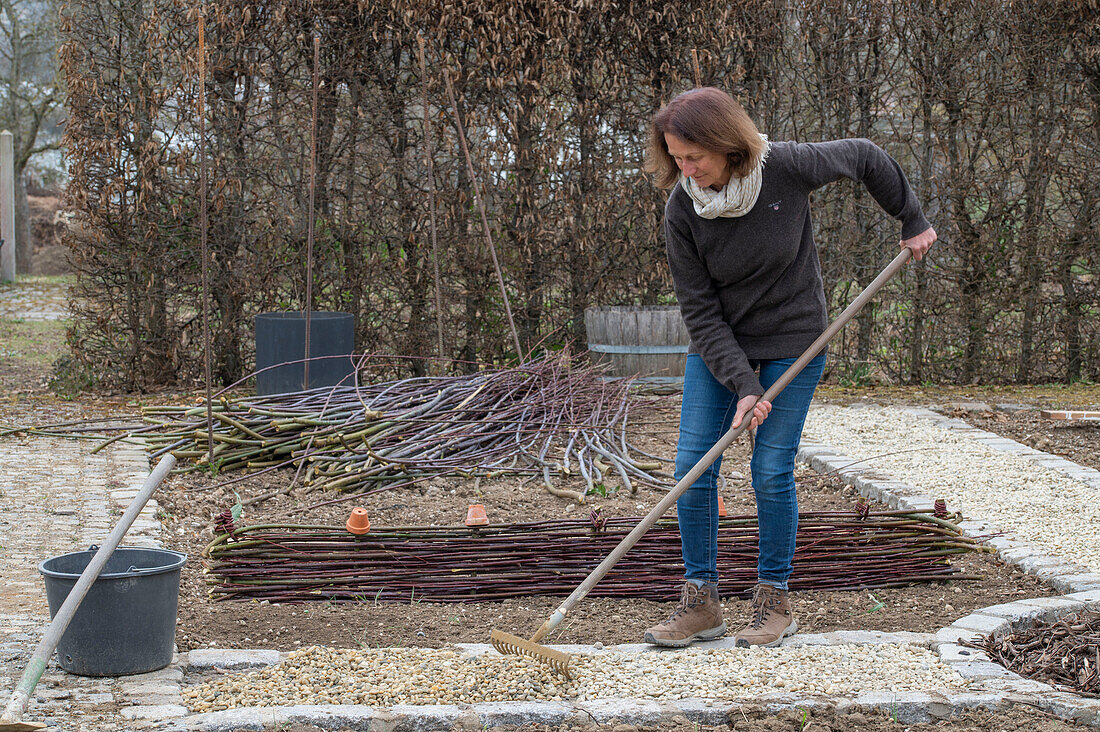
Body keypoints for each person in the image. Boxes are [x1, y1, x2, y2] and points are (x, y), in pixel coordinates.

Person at [642, 87, 936, 649]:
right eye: (676, 157)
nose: (685, 169)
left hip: (795, 341)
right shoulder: (683, 209)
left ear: (728, 146)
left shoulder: (788, 167)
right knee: (691, 466)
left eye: (694, 157)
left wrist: (911, 217)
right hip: (721, 348)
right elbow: (700, 313)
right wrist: (745, 388)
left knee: (770, 470)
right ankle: (701, 603)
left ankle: (773, 600)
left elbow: (866, 156)